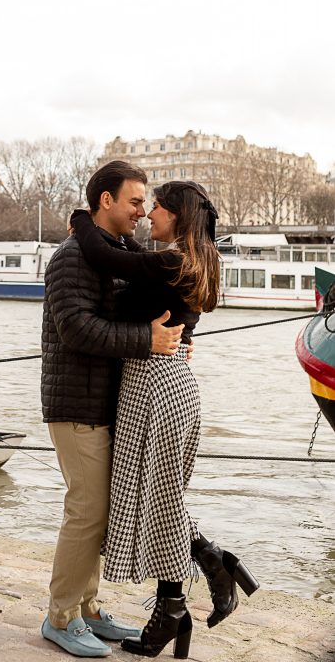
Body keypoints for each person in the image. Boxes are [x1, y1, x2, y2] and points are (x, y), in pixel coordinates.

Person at [69, 175, 259, 659]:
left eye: (156, 207)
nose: (148, 214)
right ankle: (205, 568)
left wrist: (79, 219)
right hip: (159, 380)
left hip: (156, 385)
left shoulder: (174, 258)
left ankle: (181, 597)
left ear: (176, 215)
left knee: (160, 496)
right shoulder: (193, 259)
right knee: (158, 495)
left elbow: (106, 256)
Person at [41, 160, 186, 659]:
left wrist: (170, 339)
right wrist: (149, 339)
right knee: (86, 512)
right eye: (134, 201)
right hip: (76, 402)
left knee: (100, 513)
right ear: (106, 201)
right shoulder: (69, 259)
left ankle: (88, 608)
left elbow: (140, 311)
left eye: (146, 204)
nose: (142, 211)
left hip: (109, 401)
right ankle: (60, 615)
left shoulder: (117, 253)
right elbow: (77, 329)